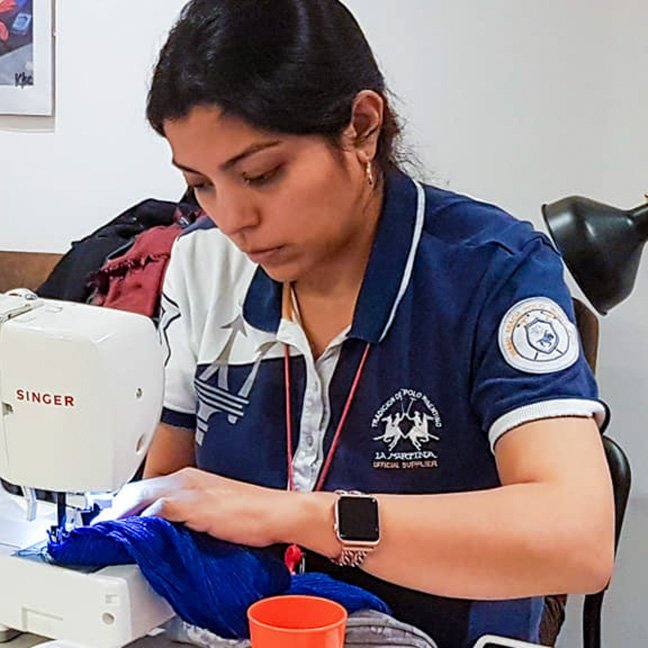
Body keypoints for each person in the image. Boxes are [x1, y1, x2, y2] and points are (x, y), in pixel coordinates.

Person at [110, 1, 615, 646]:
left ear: (363, 126)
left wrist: (295, 517)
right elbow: (164, 490)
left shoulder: (490, 272)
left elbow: (577, 538)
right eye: (200, 184)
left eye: (261, 175)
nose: (234, 219)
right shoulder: (203, 266)